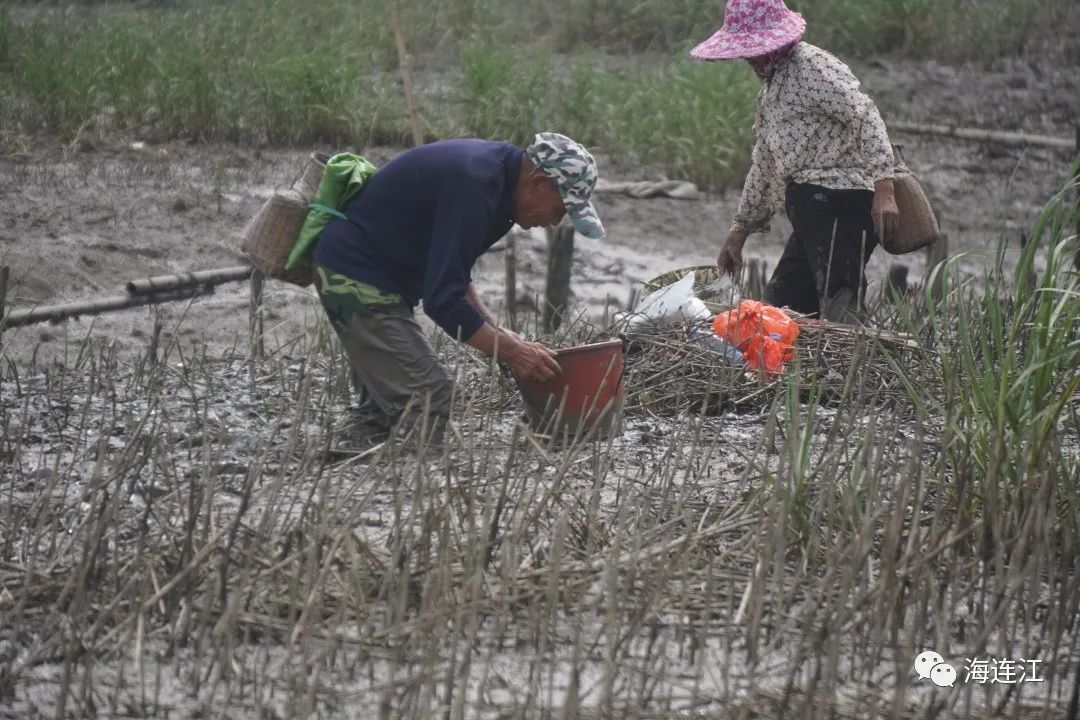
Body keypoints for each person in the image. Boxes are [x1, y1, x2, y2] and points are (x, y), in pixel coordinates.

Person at [312, 133, 605, 449]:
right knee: (427, 399)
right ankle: (408, 487)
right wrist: (511, 352)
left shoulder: (501, 185)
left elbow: (454, 275)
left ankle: (351, 464)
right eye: (560, 209)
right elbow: (443, 302)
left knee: (385, 413)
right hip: (354, 276)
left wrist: (498, 332)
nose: (554, 221)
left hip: (372, 277)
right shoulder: (476, 187)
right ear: (538, 183)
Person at [691, 0, 899, 320]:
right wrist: (739, 231)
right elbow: (765, 163)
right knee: (780, 311)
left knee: (839, 307)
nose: (747, 57)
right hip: (810, 210)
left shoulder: (812, 66)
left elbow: (864, 115)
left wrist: (885, 186)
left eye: (752, 48)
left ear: (776, 42)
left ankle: (861, 365)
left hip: (841, 202)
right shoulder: (772, 91)